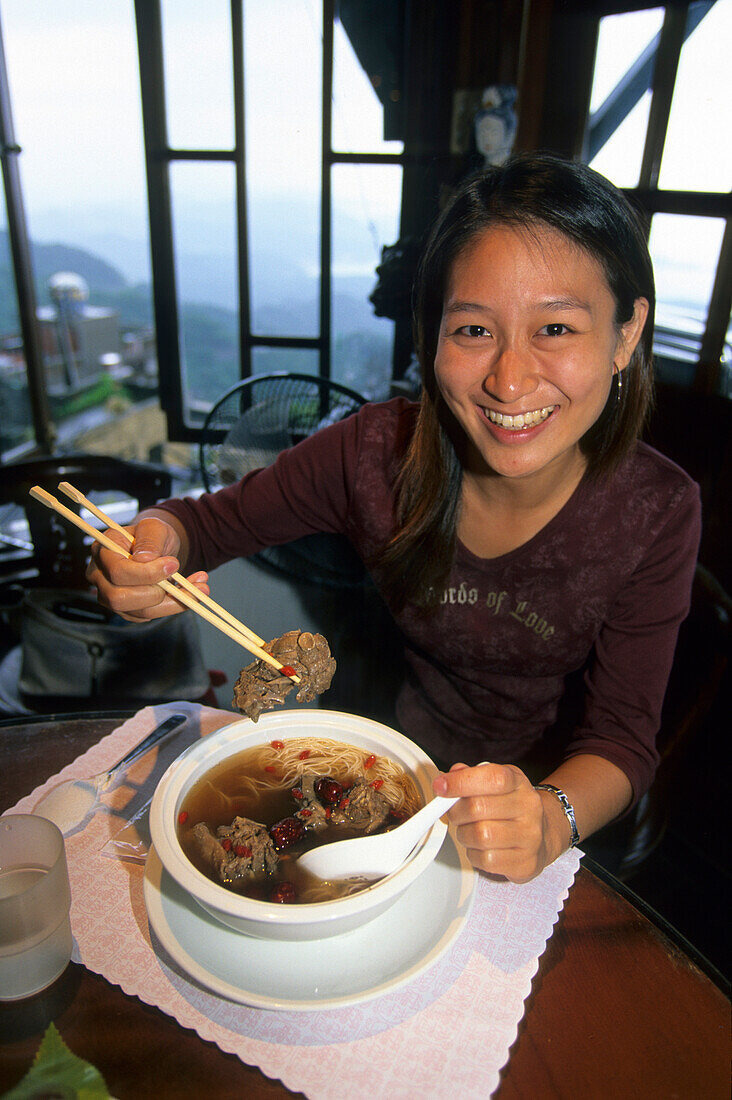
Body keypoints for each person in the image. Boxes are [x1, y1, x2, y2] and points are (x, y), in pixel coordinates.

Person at [88, 153, 701, 883]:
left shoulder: (654, 510)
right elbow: (202, 525)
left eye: (557, 329)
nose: (508, 380)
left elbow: (624, 740)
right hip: (390, 774)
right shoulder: (372, 453)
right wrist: (148, 548)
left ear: (626, 335)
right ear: (433, 335)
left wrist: (549, 814)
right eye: (473, 331)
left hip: (552, 801)